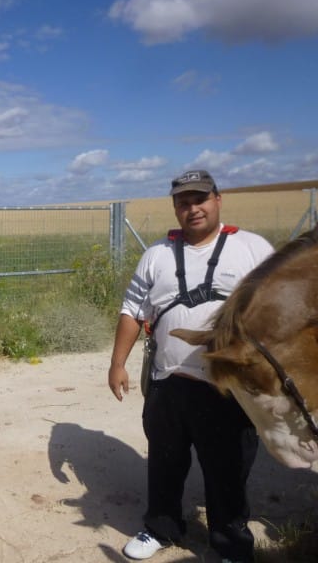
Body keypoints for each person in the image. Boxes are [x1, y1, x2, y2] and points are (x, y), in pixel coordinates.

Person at [108, 170, 274, 562]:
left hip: (229, 387)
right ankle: (160, 528)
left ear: (218, 199)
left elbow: (277, 313)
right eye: (184, 202)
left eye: (200, 199)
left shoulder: (253, 249)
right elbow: (132, 310)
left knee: (228, 471)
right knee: (164, 463)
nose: (192, 208)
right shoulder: (156, 255)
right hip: (168, 383)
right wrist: (118, 363)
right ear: (175, 209)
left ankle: (231, 545)